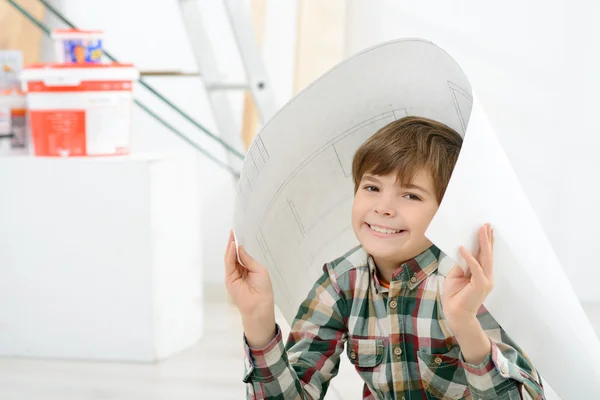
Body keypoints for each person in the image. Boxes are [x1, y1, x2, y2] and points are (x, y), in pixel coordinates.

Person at [224, 116, 545, 399]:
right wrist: (258, 319)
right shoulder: (341, 281)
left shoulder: (467, 282)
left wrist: (465, 324)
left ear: (447, 210)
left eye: (410, 195)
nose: (383, 207)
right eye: (372, 187)